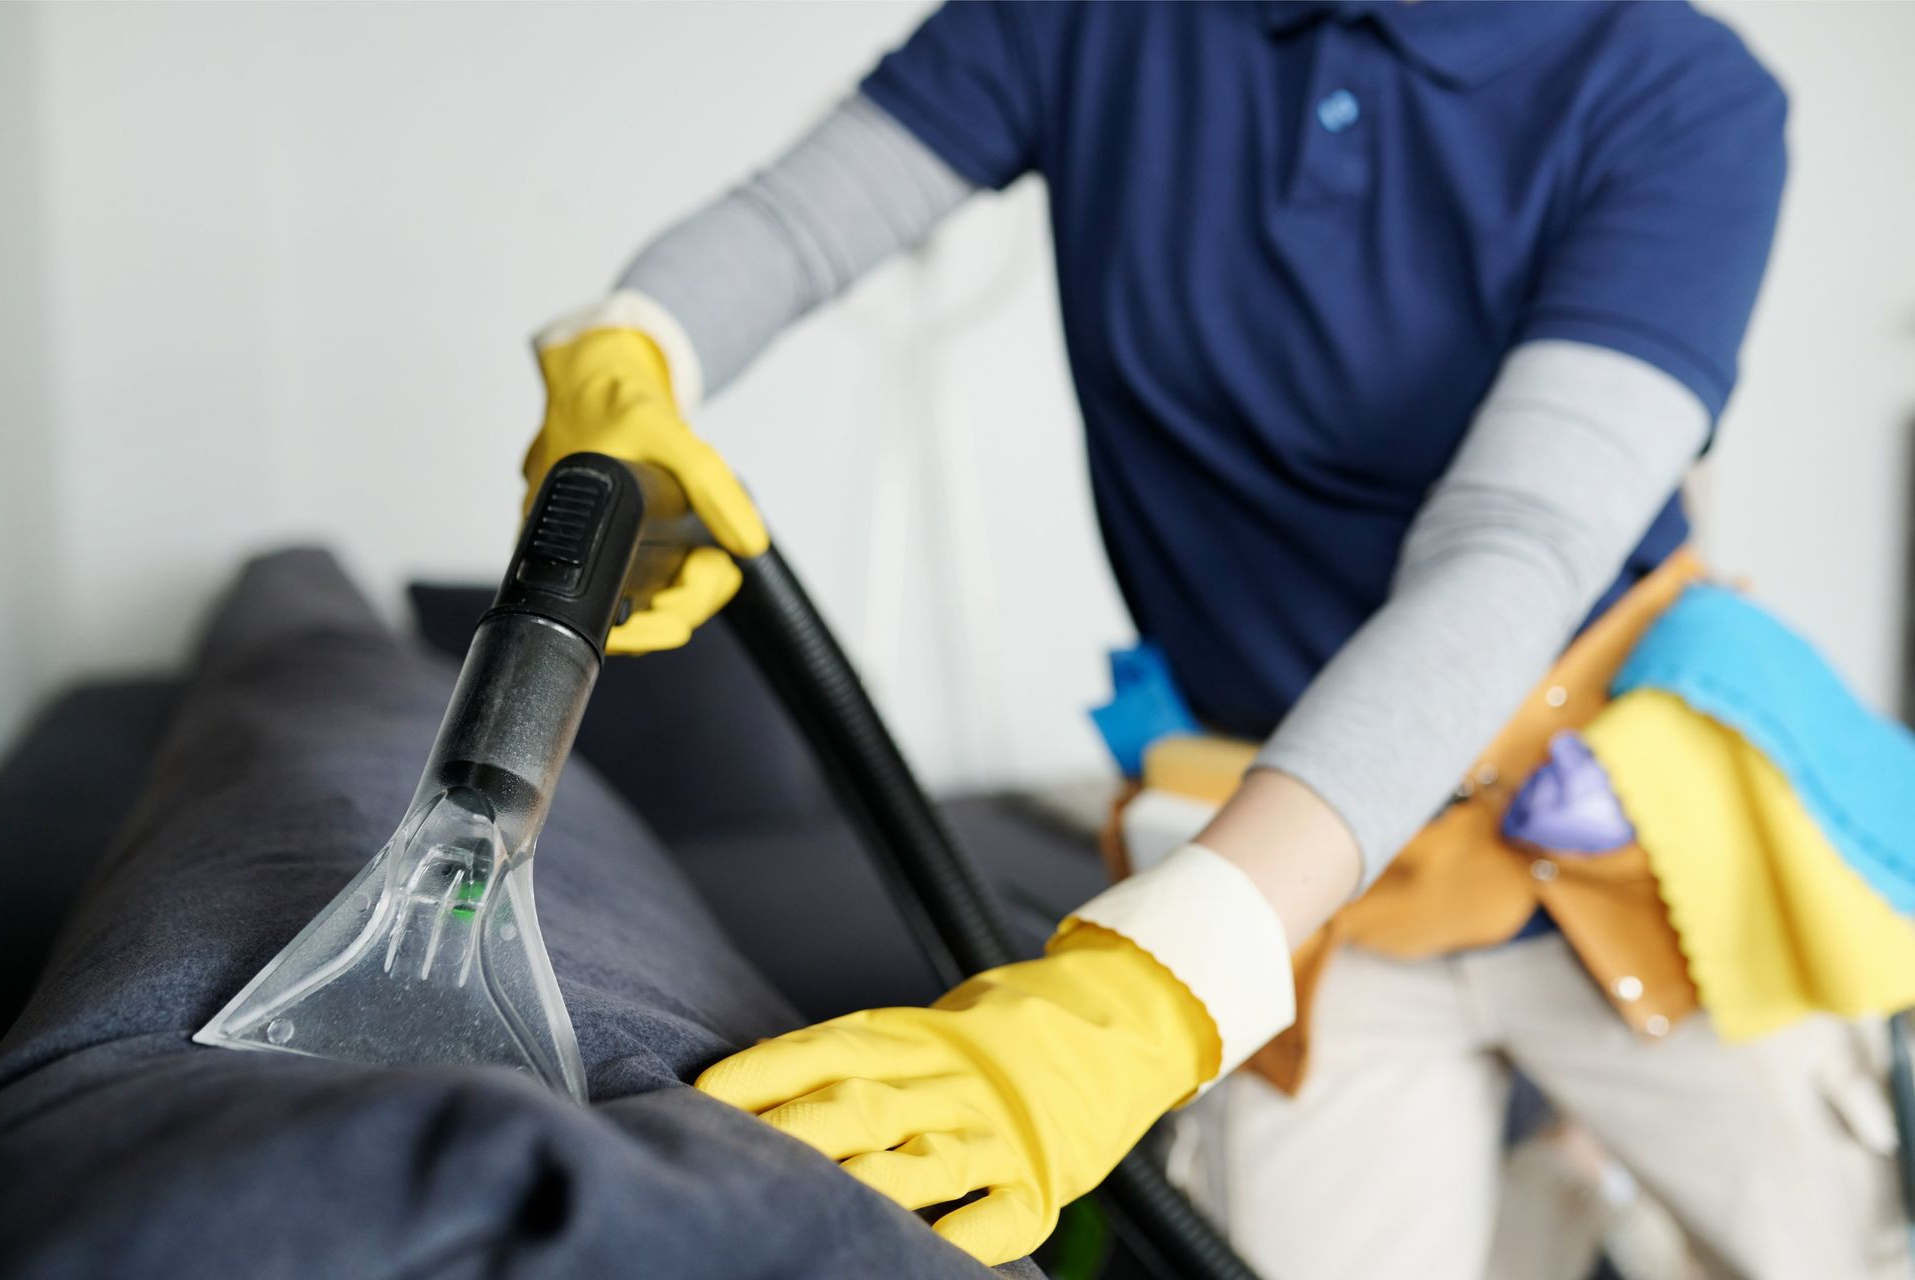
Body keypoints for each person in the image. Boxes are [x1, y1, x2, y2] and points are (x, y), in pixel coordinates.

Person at [522, 3, 1905, 1275]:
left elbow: (1516, 540)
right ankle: (1557, 1188)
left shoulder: (1677, 88)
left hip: (1617, 841)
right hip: (1314, 866)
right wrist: (628, 358)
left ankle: (1568, 1177)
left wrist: (1158, 981)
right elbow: (787, 227)